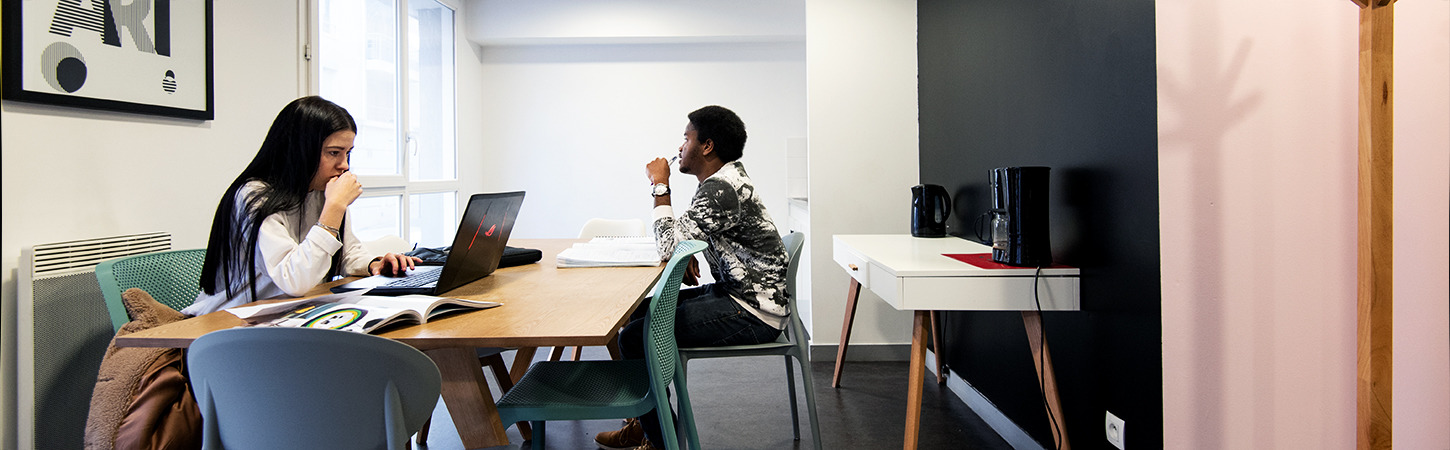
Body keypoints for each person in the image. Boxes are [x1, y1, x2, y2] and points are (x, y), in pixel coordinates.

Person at [596, 105, 791, 450]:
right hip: (739, 293)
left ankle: (660, 438)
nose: (679, 148)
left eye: (686, 138)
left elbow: (668, 243)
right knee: (637, 314)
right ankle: (644, 424)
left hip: (752, 311)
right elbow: (682, 237)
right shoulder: (721, 182)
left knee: (634, 338)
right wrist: (686, 249)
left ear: (707, 146)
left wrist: (660, 184)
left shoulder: (721, 189)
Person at [186, 96, 419, 316]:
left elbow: (346, 253)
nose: (344, 165)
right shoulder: (254, 196)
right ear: (299, 149)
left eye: (347, 153)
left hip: (285, 313)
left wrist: (374, 264)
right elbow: (295, 280)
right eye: (334, 153)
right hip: (228, 322)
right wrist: (334, 207)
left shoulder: (317, 192)